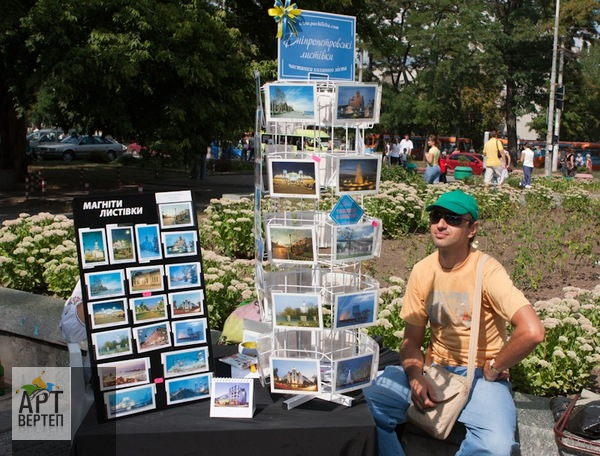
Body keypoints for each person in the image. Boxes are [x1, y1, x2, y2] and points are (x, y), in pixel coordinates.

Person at [363, 190, 545, 456]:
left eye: (453, 219)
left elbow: (532, 331)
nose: (441, 224)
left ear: (472, 229)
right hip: (433, 372)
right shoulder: (423, 270)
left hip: (479, 378)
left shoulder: (487, 271)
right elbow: (410, 342)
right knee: (364, 409)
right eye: (436, 216)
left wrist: (495, 367)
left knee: (496, 447)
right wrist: (415, 377)